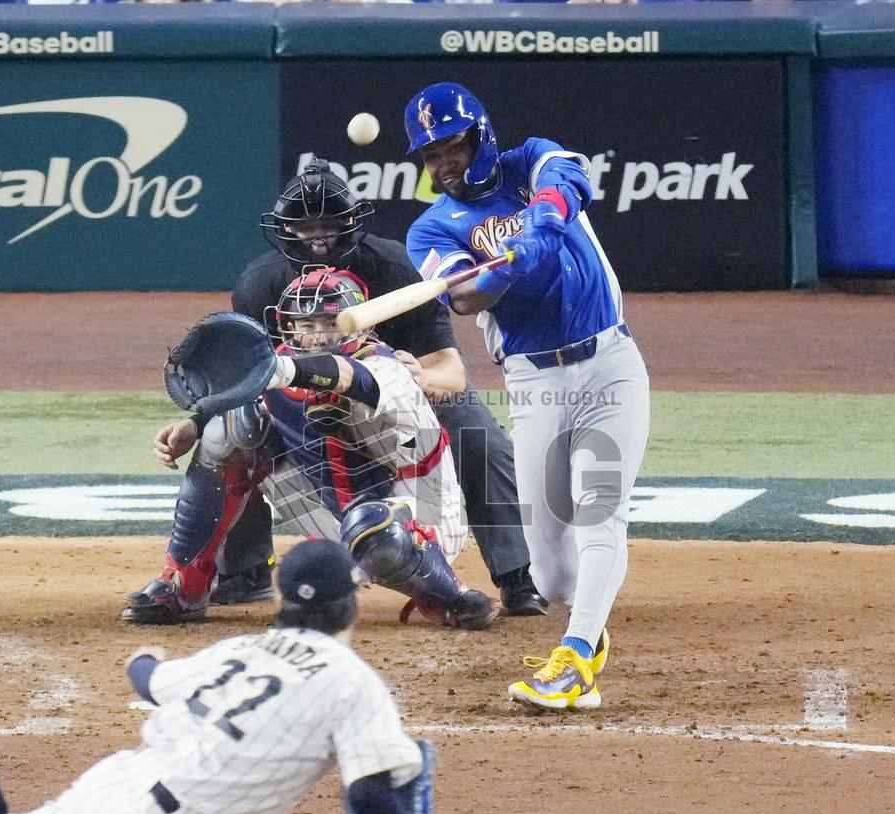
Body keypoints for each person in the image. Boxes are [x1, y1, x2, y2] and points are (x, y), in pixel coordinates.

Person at [0, 539, 434, 814]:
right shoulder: (351, 681)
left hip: (106, 792)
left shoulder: (238, 650)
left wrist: (143, 657)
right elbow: (370, 793)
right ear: (350, 603)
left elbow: (148, 680)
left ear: (284, 598)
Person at [196, 156, 546, 617]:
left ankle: (518, 578)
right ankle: (244, 572)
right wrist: (194, 423)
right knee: (229, 432)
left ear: (351, 222)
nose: (317, 234)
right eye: (303, 225)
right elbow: (247, 378)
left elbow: (450, 371)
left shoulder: (396, 267)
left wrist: (417, 378)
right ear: (283, 229)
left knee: (477, 432)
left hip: (401, 394)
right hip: (305, 403)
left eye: (330, 222)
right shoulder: (260, 286)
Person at [402, 83, 651, 710]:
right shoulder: (429, 229)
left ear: (478, 135)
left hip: (610, 364)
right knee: (550, 571)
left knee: (601, 511)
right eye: (428, 156)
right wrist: (505, 267)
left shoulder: (531, 159)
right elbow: (461, 297)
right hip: (535, 382)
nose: (441, 164)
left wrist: (541, 224)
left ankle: (578, 656)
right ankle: (581, 623)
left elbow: (569, 180)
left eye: (449, 146)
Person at [124, 267, 498, 632]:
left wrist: (283, 370)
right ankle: (184, 584)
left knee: (373, 525)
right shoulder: (279, 367)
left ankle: (449, 594)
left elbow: (348, 375)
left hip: (421, 513)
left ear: (358, 323)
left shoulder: (388, 366)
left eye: (329, 323)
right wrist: (194, 425)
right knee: (229, 432)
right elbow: (242, 400)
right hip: (330, 514)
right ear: (288, 326)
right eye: (307, 325)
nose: (317, 336)